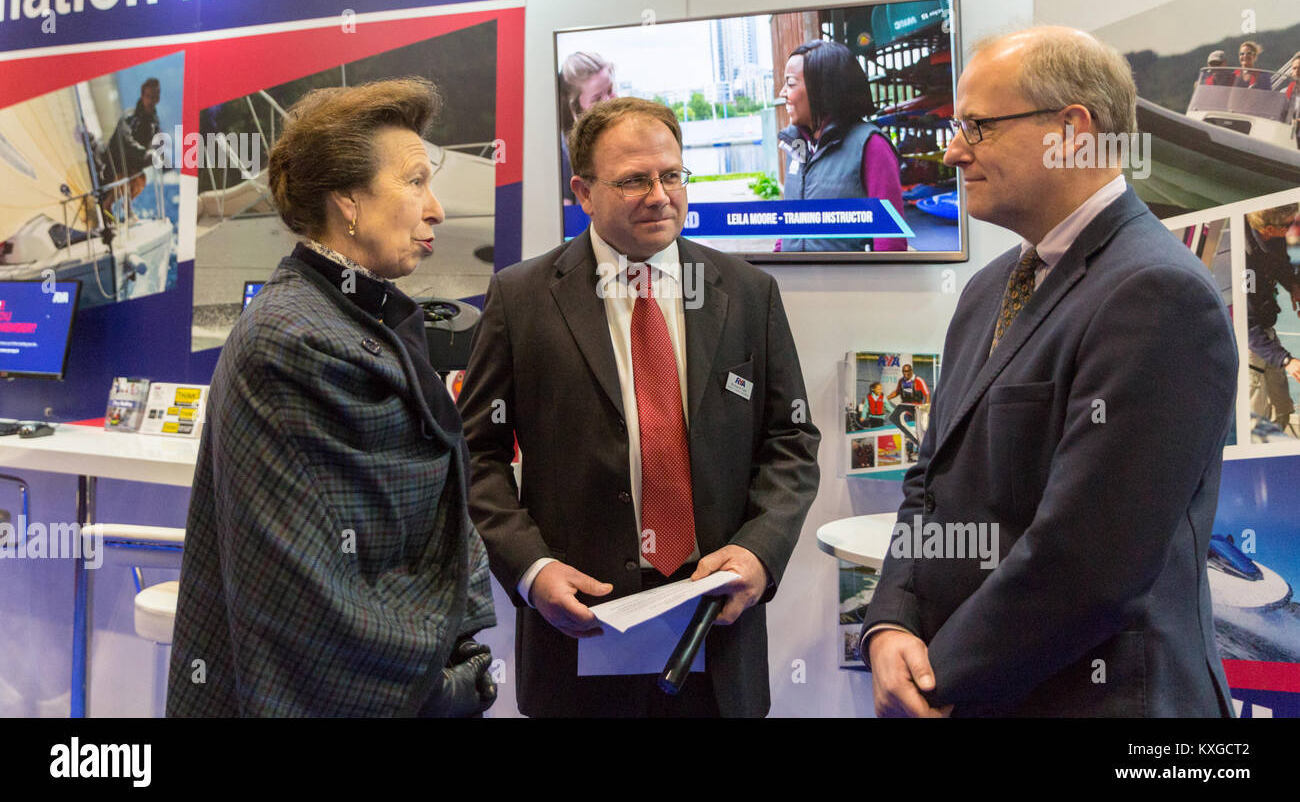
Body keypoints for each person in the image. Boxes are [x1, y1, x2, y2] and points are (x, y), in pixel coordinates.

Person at [861, 26, 1237, 717]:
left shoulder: (1159, 295)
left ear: (1071, 129)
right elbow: (930, 482)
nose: (952, 150)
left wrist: (938, 678)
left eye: (977, 125)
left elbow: (1090, 563)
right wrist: (890, 620)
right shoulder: (988, 289)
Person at [459, 96, 820, 717]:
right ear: (583, 190)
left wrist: (762, 549)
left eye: (672, 175)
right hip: (578, 632)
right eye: (633, 180)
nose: (660, 194)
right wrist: (530, 568)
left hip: (716, 629)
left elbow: (791, 441)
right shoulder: (521, 298)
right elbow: (476, 455)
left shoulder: (748, 291)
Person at [168, 78, 497, 717]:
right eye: (414, 182)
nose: (437, 209)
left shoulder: (341, 318)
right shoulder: (297, 340)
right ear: (347, 202)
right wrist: (442, 686)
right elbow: (308, 599)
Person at [777, 40, 906, 253]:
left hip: (847, 285)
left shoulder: (871, 145)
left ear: (823, 89)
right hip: (796, 283)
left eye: (790, 83)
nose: (783, 93)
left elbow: (890, 242)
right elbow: (787, 227)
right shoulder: (795, 145)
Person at [1245, 203, 1300, 434]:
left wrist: (1294, 285)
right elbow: (1245, 326)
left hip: (1267, 332)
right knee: (1257, 421)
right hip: (1251, 342)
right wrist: (1288, 361)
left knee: (1283, 408)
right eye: (1287, 225)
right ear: (1268, 228)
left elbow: (1282, 265)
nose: (1291, 229)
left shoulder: (1275, 239)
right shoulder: (1243, 258)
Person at [558, 51, 618, 204]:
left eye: (610, 90)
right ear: (575, 108)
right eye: (597, 99)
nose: (608, 102)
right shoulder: (562, 153)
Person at [98, 77, 161, 217]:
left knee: (140, 179)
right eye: (148, 96)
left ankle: (126, 209)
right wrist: (145, 153)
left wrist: (157, 156)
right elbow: (125, 140)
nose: (151, 100)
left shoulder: (153, 123)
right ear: (142, 96)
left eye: (154, 97)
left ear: (158, 98)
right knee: (125, 177)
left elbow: (157, 144)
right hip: (112, 165)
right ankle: (108, 209)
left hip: (132, 167)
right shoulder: (129, 118)